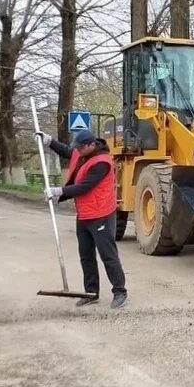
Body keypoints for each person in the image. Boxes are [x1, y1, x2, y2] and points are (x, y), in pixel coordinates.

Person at [35, 129, 128, 309]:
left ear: (91, 145)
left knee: (108, 256)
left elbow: (84, 186)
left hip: (101, 215)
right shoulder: (82, 152)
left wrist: (59, 191)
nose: (76, 150)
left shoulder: (103, 162)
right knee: (86, 256)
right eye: (76, 146)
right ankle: (91, 293)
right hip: (84, 214)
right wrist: (49, 142)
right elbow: (68, 152)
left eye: (80, 147)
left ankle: (120, 291)